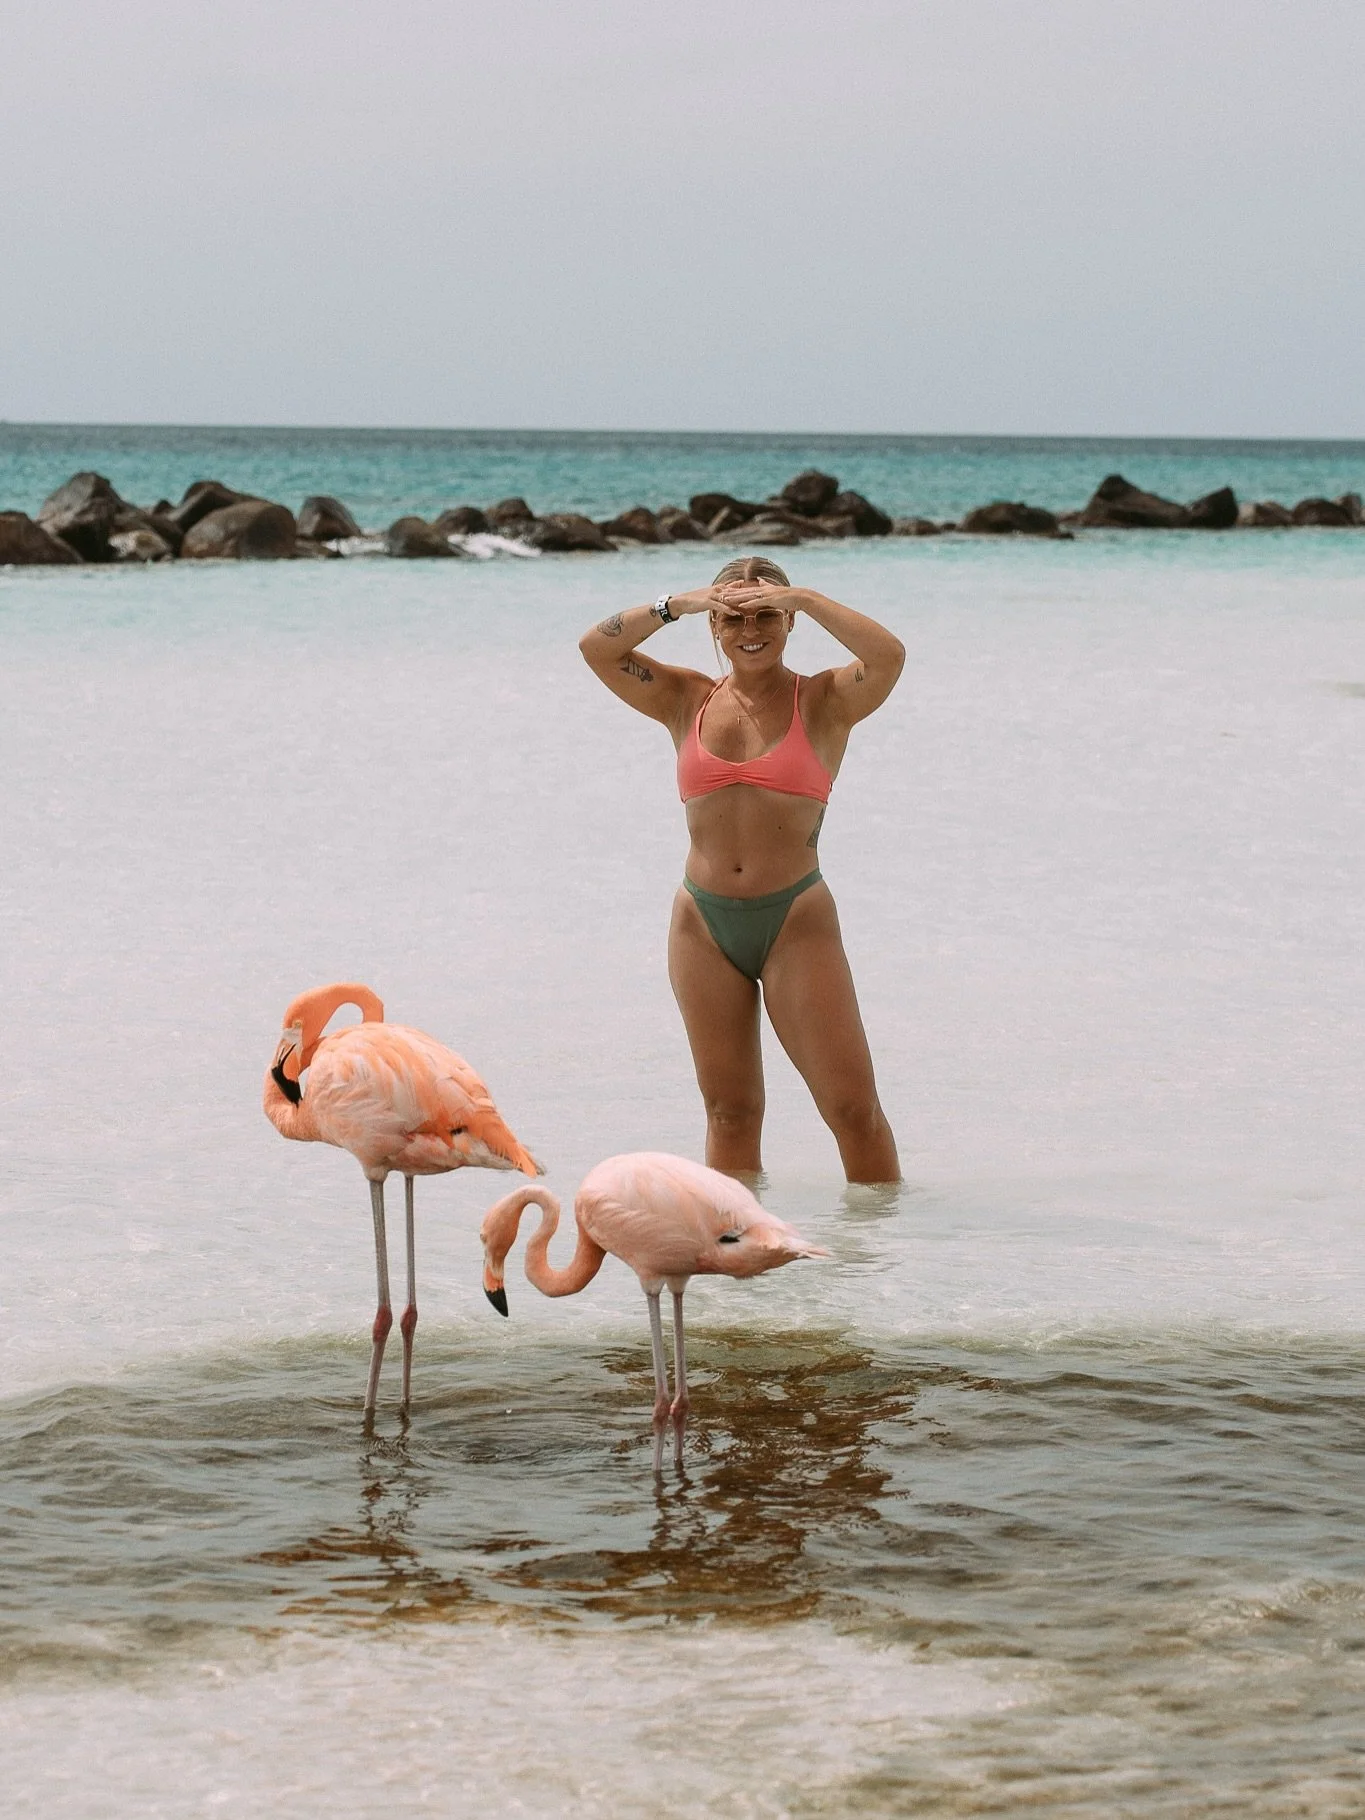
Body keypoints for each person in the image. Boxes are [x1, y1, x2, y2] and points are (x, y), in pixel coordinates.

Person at [579, 555, 904, 1184]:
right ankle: (735, 1263)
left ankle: (873, 1267)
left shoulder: (827, 699)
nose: (749, 630)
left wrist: (804, 596)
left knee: (852, 1111)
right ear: (714, 629)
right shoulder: (684, 698)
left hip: (795, 922)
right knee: (729, 1112)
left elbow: (889, 656)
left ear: (789, 624)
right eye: (734, 619)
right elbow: (596, 648)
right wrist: (685, 602)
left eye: (767, 616)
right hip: (701, 923)